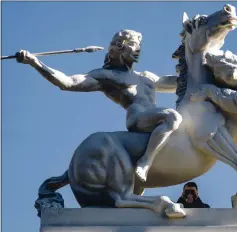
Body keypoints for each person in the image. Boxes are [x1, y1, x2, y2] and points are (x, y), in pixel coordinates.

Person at [16, 29, 182, 183]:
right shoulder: (107, 76)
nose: (137, 50)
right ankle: (145, 161)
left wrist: (194, 59)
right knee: (172, 116)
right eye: (133, 44)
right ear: (119, 47)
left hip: (155, 120)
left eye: (139, 46)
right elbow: (67, 82)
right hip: (138, 118)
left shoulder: (147, 77)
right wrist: (34, 62)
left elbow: (178, 82)